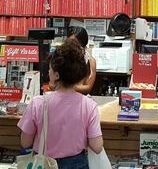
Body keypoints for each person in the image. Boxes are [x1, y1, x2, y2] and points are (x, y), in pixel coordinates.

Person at [17, 39, 103, 169]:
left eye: (50, 69)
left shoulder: (37, 103)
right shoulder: (89, 105)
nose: (48, 72)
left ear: (57, 75)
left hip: (43, 163)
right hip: (77, 164)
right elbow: (97, 147)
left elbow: (25, 142)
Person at [67, 26, 97, 94]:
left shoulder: (90, 61)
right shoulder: (61, 58)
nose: (71, 46)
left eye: (74, 43)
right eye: (69, 42)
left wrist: (65, 87)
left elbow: (87, 88)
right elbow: (53, 84)